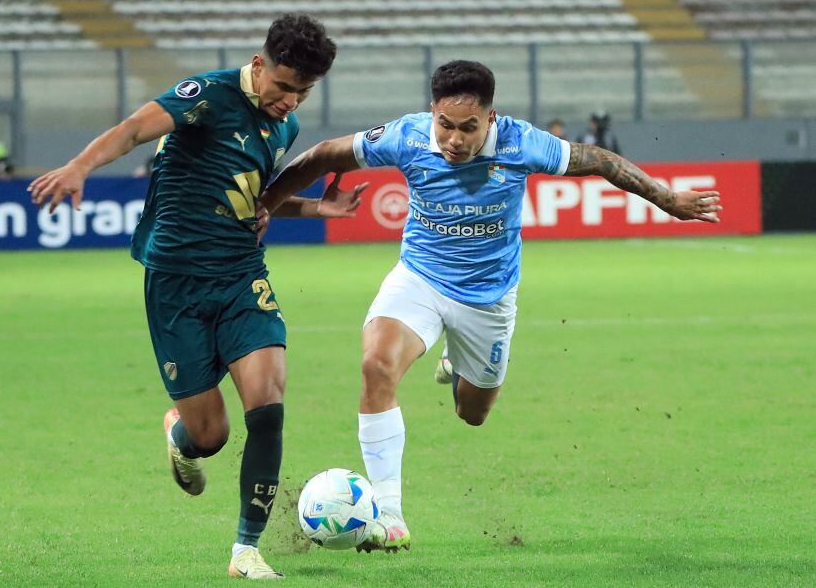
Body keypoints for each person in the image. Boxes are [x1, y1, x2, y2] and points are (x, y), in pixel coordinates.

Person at [261, 60, 721, 553]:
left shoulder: (523, 144)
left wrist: (666, 198)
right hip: (420, 278)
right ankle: (390, 515)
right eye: (445, 124)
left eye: (468, 127)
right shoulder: (407, 136)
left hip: (488, 298)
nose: (454, 139)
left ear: (491, 118)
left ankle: (454, 360)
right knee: (376, 365)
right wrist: (269, 202)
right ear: (431, 113)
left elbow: (604, 162)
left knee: (472, 413)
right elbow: (323, 154)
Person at [29, 14, 364, 580]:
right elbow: (136, 127)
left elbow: (252, 201)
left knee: (268, 400)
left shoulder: (284, 128)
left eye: (303, 92)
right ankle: (180, 436)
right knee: (210, 436)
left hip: (241, 276)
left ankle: (245, 550)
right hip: (176, 285)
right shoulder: (207, 95)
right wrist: (80, 165)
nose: (290, 101)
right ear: (259, 67)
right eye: (283, 86)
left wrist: (314, 209)